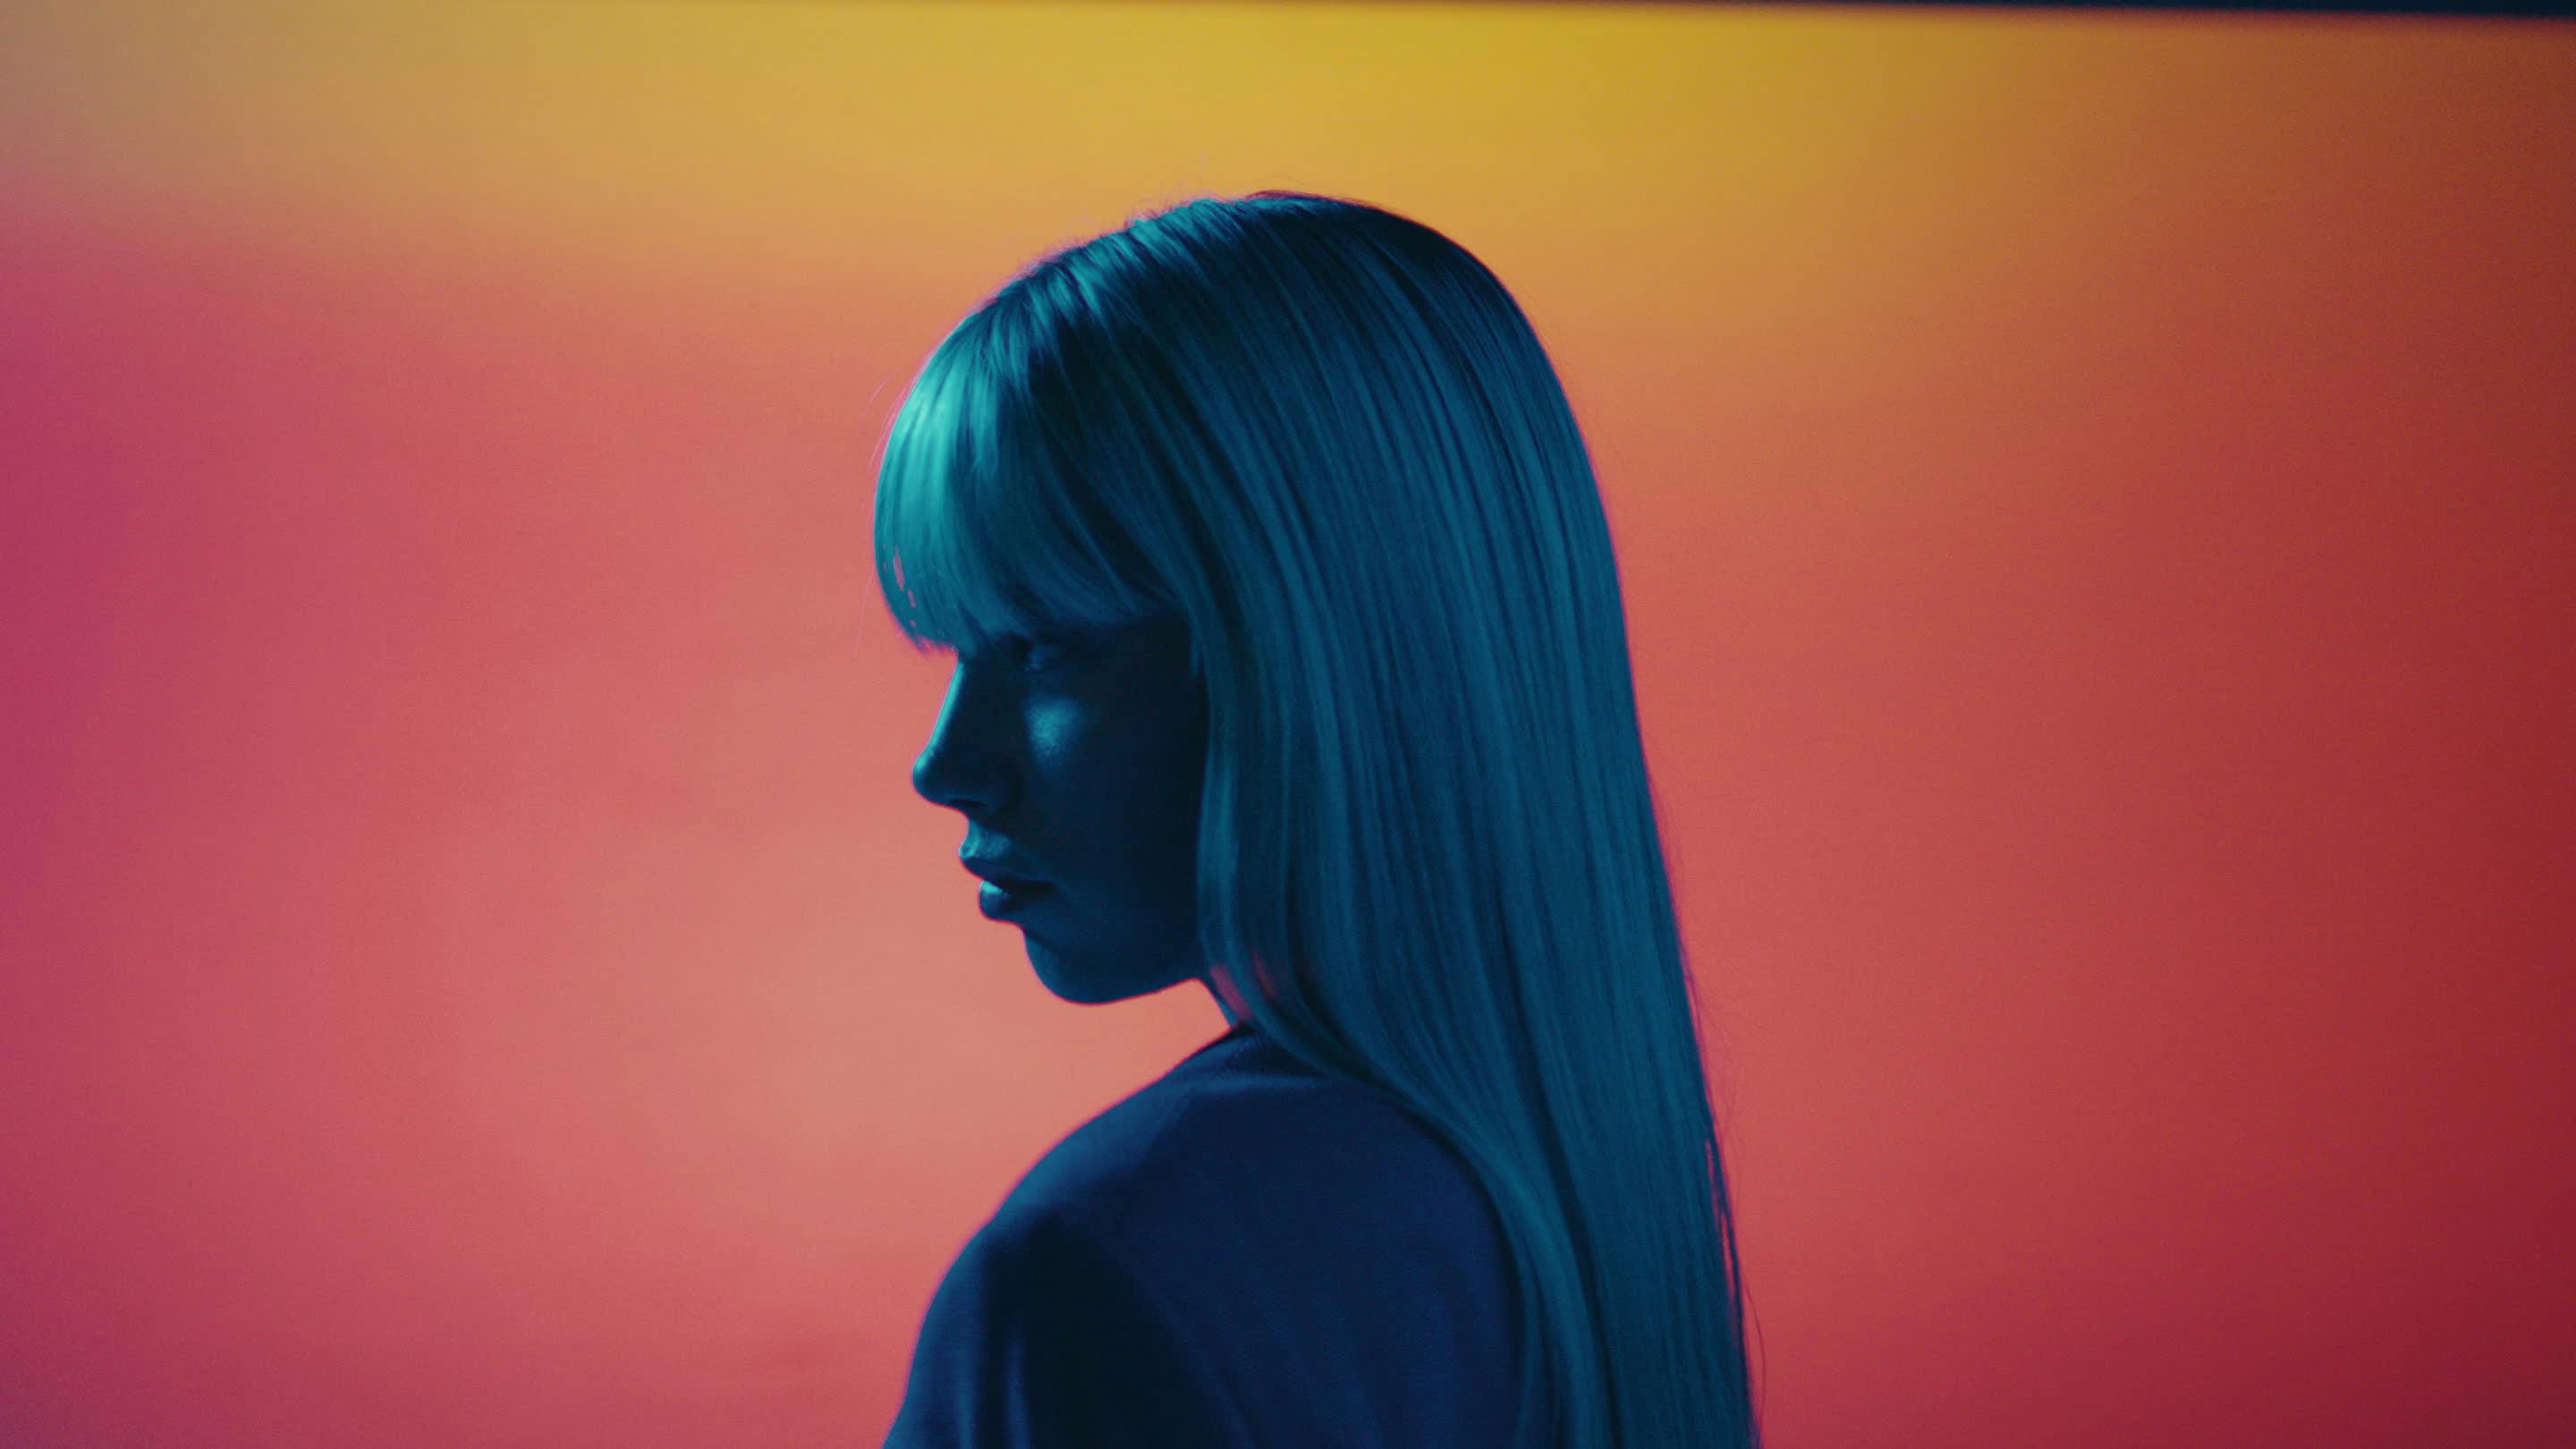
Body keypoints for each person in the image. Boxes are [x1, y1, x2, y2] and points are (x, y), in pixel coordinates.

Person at [875, 190, 1759, 1449]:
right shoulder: (1588, 1193)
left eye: (1050, 646)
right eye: (963, 650)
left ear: (1318, 655)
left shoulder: (1104, 1274)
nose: (947, 765)